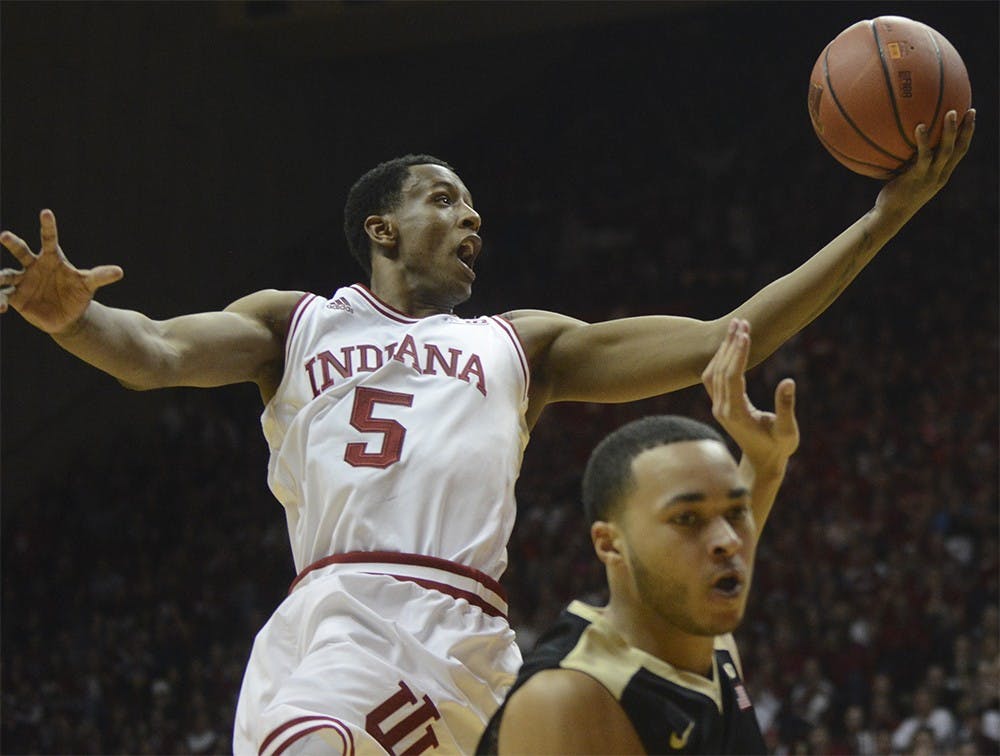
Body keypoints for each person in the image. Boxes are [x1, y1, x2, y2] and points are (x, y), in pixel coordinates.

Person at [0, 109, 974, 754]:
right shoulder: (293, 323)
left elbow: (731, 335)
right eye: (441, 198)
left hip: (477, 641)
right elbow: (156, 352)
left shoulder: (520, 345)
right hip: (349, 611)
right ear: (380, 228)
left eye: (471, 205)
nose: (470, 217)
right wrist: (71, 319)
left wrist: (882, 219)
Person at [477, 317, 799, 755]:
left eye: (735, 512)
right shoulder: (569, 698)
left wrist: (767, 465)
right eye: (686, 518)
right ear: (610, 544)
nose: (729, 541)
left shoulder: (708, 646)